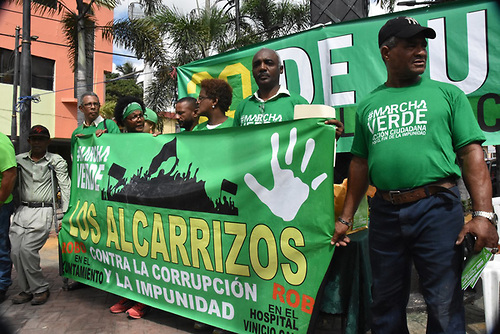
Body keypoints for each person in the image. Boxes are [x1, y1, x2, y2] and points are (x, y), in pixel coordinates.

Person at [331, 16, 499, 334]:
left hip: (437, 209)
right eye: (410, 46)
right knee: (384, 303)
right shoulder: (368, 105)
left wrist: (483, 215)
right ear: (386, 52)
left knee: (444, 302)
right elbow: (359, 165)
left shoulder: (448, 95)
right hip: (384, 213)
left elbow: (471, 154)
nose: (420, 51)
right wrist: (345, 219)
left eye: (423, 45)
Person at [10, 125, 71, 305]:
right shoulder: (19, 160)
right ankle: (26, 289)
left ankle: (40, 288)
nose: (37, 142)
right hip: (22, 210)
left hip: (43, 209)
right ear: (29, 141)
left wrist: (66, 214)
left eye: (41, 139)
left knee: (28, 250)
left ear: (48, 141)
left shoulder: (55, 160)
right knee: (15, 251)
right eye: (34, 139)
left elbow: (65, 186)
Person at [234, 48, 344, 138]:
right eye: (257, 65)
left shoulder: (298, 103)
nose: (262, 68)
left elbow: (311, 142)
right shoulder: (243, 107)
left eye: (269, 63)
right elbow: (234, 145)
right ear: (253, 72)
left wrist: (331, 136)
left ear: (281, 69)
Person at [108, 96, 149, 319]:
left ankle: (144, 301)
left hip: (144, 210)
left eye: (140, 115)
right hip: (122, 209)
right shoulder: (115, 142)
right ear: (123, 122)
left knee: (143, 257)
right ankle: (127, 295)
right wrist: (99, 139)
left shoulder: (150, 140)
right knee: (124, 256)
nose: (139, 119)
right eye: (133, 117)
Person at [0, 133, 16, 303]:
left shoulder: (1, 142)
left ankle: (2, 284)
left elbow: (10, 175)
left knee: (1, 246)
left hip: (2, 205)